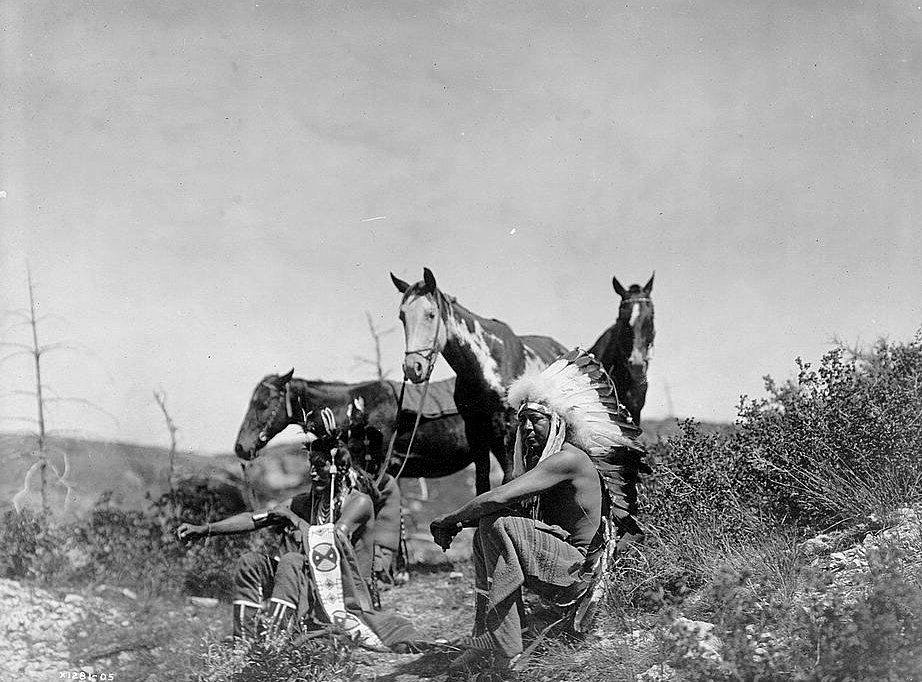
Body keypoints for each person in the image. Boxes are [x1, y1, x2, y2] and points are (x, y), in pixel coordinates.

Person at [429, 348, 649, 669]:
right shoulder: (547, 461)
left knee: (498, 522)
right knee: (486, 530)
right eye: (523, 421)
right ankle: (487, 635)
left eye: (536, 420)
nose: (528, 429)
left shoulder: (567, 458)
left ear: (558, 422)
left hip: (580, 575)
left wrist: (451, 519)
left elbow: (500, 497)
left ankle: (507, 645)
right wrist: (463, 523)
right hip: (561, 566)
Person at [177, 409, 417, 649]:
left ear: (338, 470)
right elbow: (255, 518)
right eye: (311, 466)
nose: (313, 473)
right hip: (311, 580)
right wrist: (206, 529)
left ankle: (276, 641)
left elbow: (333, 540)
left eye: (320, 466)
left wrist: (295, 521)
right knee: (250, 562)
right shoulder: (304, 502)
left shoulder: (359, 503)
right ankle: (244, 641)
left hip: (347, 593)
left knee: (291, 560)